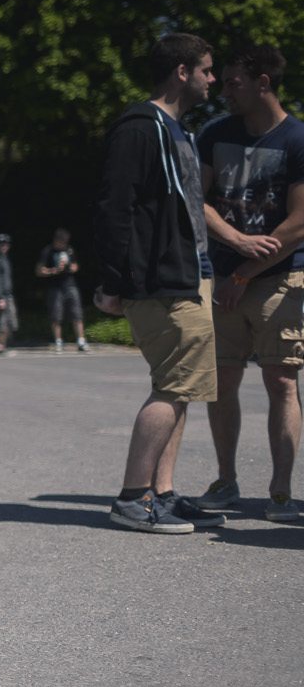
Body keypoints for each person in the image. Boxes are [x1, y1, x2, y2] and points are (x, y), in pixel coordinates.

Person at [91, 32, 224, 534]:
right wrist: (113, 280)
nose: (213, 79)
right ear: (181, 72)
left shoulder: (178, 131)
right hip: (164, 282)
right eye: (206, 69)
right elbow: (114, 208)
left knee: (180, 388)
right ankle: (132, 499)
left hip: (191, 275)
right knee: (172, 388)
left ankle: (161, 494)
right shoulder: (140, 129)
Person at [194, 45, 304, 522]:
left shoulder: (297, 139)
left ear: (264, 83)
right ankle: (226, 480)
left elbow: (300, 222)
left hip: (279, 276)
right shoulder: (215, 133)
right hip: (221, 276)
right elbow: (195, 200)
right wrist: (235, 243)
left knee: (281, 382)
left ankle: (281, 490)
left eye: (233, 82)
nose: (223, 90)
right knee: (221, 381)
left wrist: (245, 272)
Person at [36, 229, 88, 351]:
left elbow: (76, 265)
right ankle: (58, 342)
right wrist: (52, 271)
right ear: (56, 240)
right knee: (56, 316)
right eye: (61, 242)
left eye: (65, 242)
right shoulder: (48, 251)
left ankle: (81, 341)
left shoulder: (69, 250)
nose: (64, 244)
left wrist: (71, 268)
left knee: (77, 314)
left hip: (70, 285)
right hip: (55, 287)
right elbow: (39, 270)